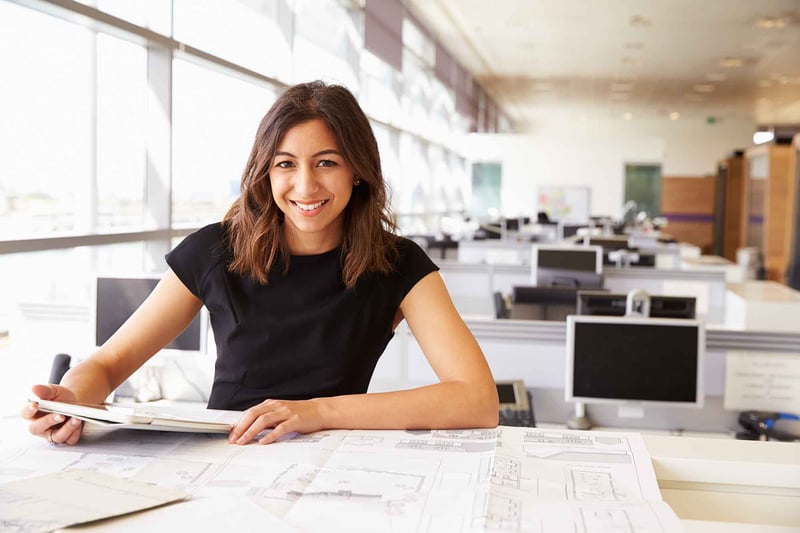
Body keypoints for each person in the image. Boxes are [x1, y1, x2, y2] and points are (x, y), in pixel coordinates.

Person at [23, 81, 499, 446]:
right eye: (285, 164)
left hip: (334, 463)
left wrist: (319, 412)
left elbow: (477, 400)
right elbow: (108, 363)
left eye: (327, 162)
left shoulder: (397, 264)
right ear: (265, 172)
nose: (305, 185)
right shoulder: (216, 251)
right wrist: (73, 401)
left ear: (358, 170)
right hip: (219, 455)